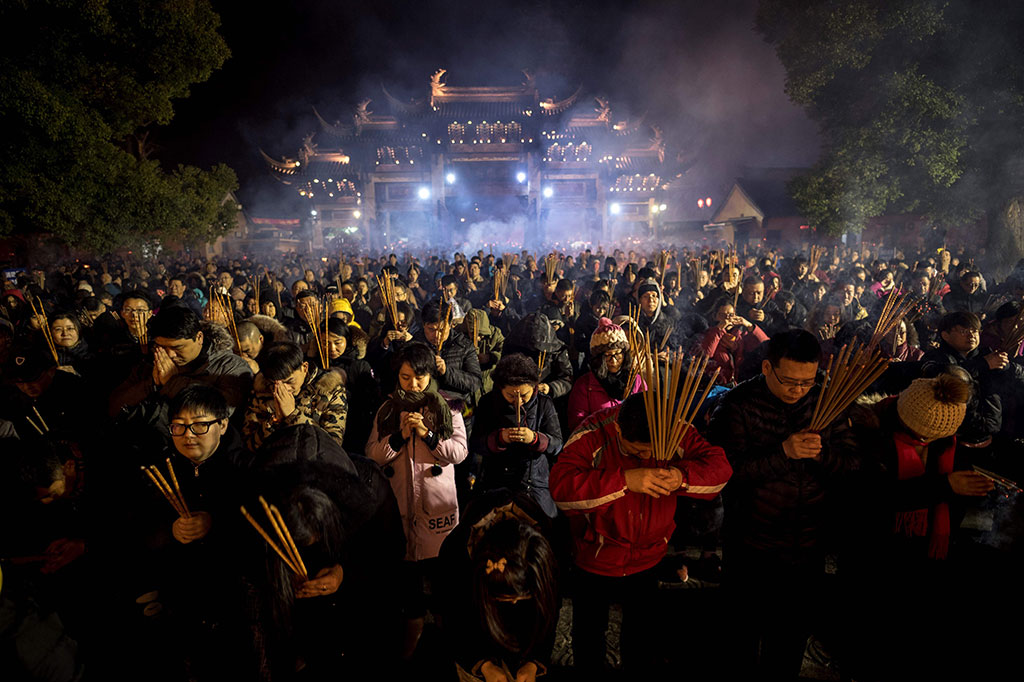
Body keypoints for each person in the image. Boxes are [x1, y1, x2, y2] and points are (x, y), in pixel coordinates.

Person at [707, 329, 860, 679]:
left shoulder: (827, 401)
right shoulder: (736, 406)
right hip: (751, 545)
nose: (799, 390)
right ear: (767, 368)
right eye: (790, 381)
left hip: (807, 546)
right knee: (741, 639)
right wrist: (783, 453)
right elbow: (723, 474)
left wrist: (821, 454)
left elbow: (853, 465)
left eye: (808, 381)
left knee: (790, 640)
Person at [550, 393, 731, 675]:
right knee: (589, 636)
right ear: (618, 429)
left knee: (641, 639)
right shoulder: (593, 433)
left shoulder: (674, 430)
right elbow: (562, 489)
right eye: (636, 451)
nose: (646, 458)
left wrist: (680, 476)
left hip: (649, 555)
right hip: (596, 556)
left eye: (652, 451)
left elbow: (720, 468)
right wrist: (624, 481)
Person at [366, 341, 468, 659]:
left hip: (437, 512)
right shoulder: (387, 409)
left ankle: (450, 654)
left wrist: (428, 435)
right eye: (406, 377)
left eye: (420, 377)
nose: (413, 385)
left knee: (443, 592)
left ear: (430, 375)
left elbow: (459, 452)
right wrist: (398, 438)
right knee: (408, 595)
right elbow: (373, 453)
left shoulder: (449, 407)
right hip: (401, 509)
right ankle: (408, 655)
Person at [108, 305, 253, 418]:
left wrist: (173, 382)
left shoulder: (230, 366)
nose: (170, 355)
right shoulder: (151, 362)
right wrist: (152, 384)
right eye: (162, 347)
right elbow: (114, 406)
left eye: (177, 347)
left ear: (199, 338)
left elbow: (224, 410)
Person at [471, 354, 563, 517]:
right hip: (495, 480)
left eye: (524, 395)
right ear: (501, 388)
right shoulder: (488, 403)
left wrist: (534, 439)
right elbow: (476, 444)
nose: (518, 401)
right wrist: (500, 438)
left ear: (534, 387)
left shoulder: (544, 403)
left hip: (533, 482)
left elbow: (557, 445)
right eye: (511, 396)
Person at [243, 341, 349, 451]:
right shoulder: (263, 389)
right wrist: (274, 422)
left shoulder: (329, 390)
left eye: (290, 381)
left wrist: (293, 415)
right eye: (275, 383)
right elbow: (250, 444)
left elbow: (333, 447)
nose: (285, 389)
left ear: (304, 368)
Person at [567, 317, 644, 432]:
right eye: (607, 356)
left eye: (618, 354)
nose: (614, 361)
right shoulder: (585, 385)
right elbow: (578, 425)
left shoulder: (636, 381)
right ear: (598, 359)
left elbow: (646, 415)